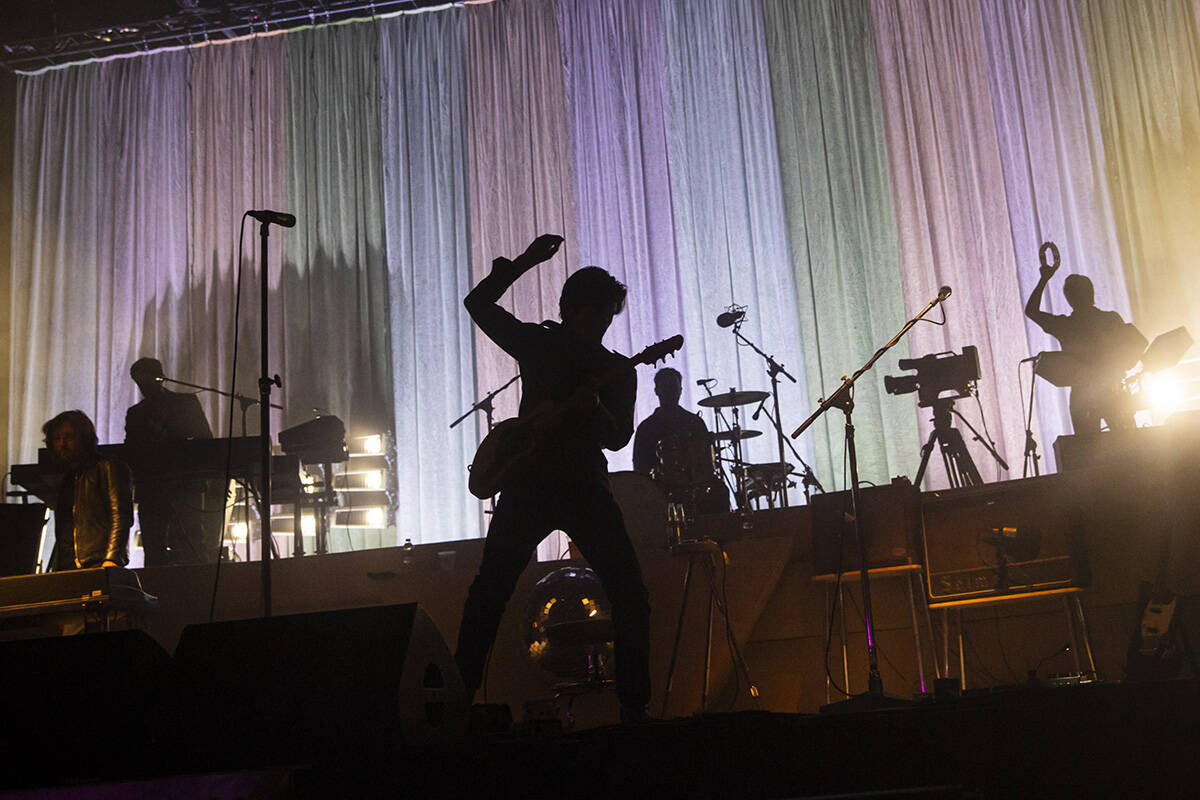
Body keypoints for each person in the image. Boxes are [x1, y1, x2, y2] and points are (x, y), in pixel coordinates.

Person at [456, 233, 652, 722]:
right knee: (491, 588)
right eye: (596, 312)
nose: (603, 323)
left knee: (629, 593)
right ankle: (455, 703)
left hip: (581, 484)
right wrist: (521, 262)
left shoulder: (615, 370)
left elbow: (618, 438)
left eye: (608, 313)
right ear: (573, 309)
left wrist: (598, 412)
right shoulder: (541, 343)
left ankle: (634, 708)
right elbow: (477, 303)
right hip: (534, 482)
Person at [1025, 260, 1146, 434]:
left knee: (1087, 452)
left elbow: (1031, 311)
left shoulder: (1065, 326)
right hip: (1113, 390)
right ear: (1091, 293)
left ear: (1069, 299)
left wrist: (1044, 278)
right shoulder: (1111, 319)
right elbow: (1134, 344)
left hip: (1083, 396)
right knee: (1130, 442)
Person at [124, 357, 218, 565]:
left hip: (185, 484)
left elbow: (205, 441)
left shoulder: (186, 404)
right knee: (154, 546)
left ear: (160, 378)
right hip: (153, 488)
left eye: (145, 380)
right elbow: (131, 452)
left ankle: (195, 588)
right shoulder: (136, 414)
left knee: (191, 543)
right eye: (139, 382)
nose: (142, 386)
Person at [43, 410, 132, 571]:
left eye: (68, 437)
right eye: (57, 439)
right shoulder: (67, 479)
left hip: (98, 562)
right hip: (68, 567)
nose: (62, 444)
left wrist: (112, 559)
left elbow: (121, 516)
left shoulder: (108, 468)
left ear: (84, 438)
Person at [633, 368, 728, 514]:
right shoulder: (647, 428)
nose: (670, 391)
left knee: (720, 490)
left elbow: (708, 460)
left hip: (698, 481)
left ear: (680, 390)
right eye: (666, 387)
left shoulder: (694, 422)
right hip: (661, 485)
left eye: (673, 387)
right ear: (657, 391)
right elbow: (640, 467)